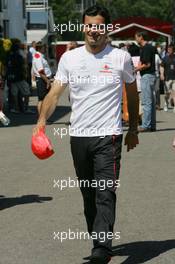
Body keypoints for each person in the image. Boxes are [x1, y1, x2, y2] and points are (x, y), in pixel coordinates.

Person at [33, 5, 139, 264]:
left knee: (105, 190)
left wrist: (134, 128)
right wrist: (41, 121)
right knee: (89, 193)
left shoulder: (120, 58)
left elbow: (133, 94)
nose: (94, 30)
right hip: (79, 137)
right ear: (84, 27)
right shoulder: (70, 59)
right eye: (90, 25)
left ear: (107, 29)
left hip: (109, 136)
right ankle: (98, 240)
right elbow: (55, 93)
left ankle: (102, 248)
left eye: (99, 26)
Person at [135, 31, 156, 132]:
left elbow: (147, 64)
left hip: (147, 76)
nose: (136, 39)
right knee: (151, 102)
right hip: (150, 76)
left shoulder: (146, 48)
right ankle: (151, 125)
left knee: (146, 102)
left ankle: (145, 125)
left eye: (136, 37)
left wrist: (136, 69)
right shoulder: (148, 47)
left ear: (141, 37)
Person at [32, 42, 52, 114]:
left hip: (43, 79)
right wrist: (47, 81)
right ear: (40, 48)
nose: (46, 49)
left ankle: (44, 117)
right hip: (42, 79)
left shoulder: (39, 55)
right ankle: (41, 117)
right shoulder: (38, 56)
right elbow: (40, 71)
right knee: (42, 99)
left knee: (45, 99)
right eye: (44, 47)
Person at [160, 44, 175, 113]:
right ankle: (166, 104)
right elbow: (162, 66)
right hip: (167, 78)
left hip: (174, 78)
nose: (169, 51)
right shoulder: (165, 58)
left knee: (174, 93)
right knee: (167, 93)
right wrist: (162, 74)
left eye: (171, 50)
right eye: (168, 50)